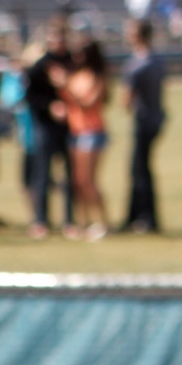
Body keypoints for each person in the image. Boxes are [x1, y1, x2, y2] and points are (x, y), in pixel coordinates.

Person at [23, 20, 76, 239]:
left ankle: (70, 221)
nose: (58, 43)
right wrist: (49, 106)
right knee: (42, 174)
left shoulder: (73, 63)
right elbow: (30, 97)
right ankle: (41, 220)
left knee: (70, 176)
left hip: (71, 127)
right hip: (45, 126)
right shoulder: (40, 66)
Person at [58, 40, 111, 240]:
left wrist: (66, 86)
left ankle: (104, 222)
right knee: (78, 181)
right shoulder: (75, 75)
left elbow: (89, 103)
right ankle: (84, 222)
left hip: (92, 132)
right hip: (76, 131)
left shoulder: (96, 76)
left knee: (88, 180)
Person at [120, 18, 167, 232]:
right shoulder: (157, 60)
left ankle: (145, 218)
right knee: (141, 168)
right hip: (157, 119)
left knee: (139, 170)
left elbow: (126, 100)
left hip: (143, 121)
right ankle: (135, 217)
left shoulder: (136, 64)